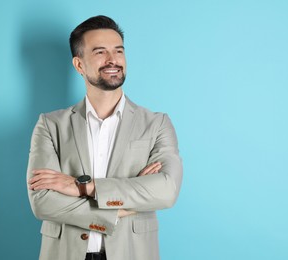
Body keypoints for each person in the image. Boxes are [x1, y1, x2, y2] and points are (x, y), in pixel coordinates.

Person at [27, 15, 183, 260]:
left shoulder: (156, 124)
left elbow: (166, 190)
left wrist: (83, 188)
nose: (113, 60)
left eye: (118, 51)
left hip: (132, 252)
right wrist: (123, 208)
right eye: (100, 52)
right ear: (79, 65)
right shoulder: (50, 125)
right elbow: (43, 202)